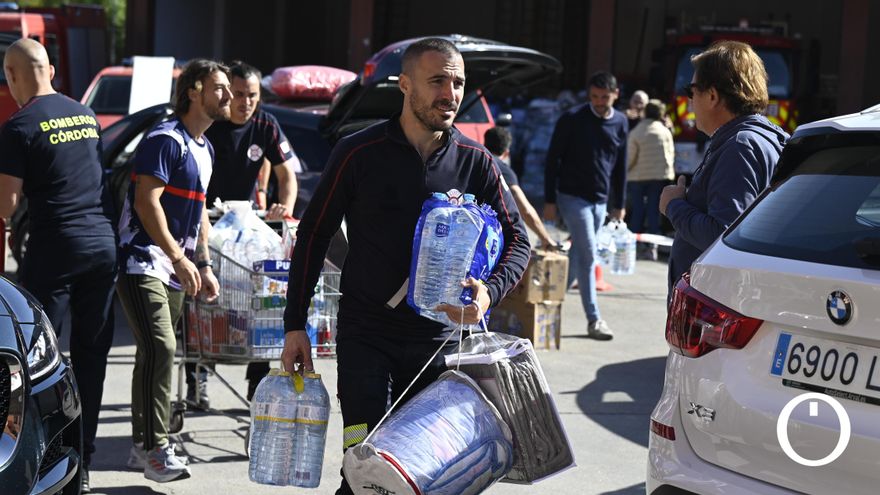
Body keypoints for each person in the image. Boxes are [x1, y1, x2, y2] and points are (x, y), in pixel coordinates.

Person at [279, 38, 530, 495]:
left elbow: (519, 242)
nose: (450, 93)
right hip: (366, 336)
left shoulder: (477, 164)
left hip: (439, 344)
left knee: (420, 475)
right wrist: (295, 325)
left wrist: (490, 291)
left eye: (457, 83)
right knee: (362, 462)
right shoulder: (359, 152)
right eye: (438, 81)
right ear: (406, 85)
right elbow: (313, 235)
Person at [0, 38, 117, 493]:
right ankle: (83, 463)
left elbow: (6, 205)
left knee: (37, 360)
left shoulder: (18, 126)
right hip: (102, 246)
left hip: (55, 249)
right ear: (50, 68)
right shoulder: (85, 116)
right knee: (92, 357)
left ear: (13, 76)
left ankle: (43, 459)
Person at [116, 59, 229, 483]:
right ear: (195, 90)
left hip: (176, 268)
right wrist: (179, 259)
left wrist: (203, 263)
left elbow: (199, 212)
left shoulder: (206, 147)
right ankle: (155, 449)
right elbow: (148, 203)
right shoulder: (165, 139)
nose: (229, 97)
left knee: (154, 354)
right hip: (141, 259)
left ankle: (139, 448)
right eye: (220, 88)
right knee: (161, 348)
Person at [185, 61, 301, 407]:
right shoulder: (213, 122)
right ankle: (196, 378)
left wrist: (284, 209)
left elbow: (287, 175)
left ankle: (256, 382)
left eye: (252, 96)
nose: (245, 102)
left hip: (246, 226)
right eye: (238, 94)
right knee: (203, 305)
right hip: (208, 220)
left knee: (257, 307)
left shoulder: (266, 124)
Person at [660, 40, 788, 298]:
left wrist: (673, 206)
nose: (690, 100)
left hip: (717, 309)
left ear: (712, 95)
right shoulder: (750, 140)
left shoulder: (740, 147)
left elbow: (723, 235)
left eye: (692, 90)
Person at [543, 71, 628, 341]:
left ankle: (547, 305)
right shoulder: (572, 120)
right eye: (595, 97)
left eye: (605, 97)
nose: (600, 102)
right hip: (572, 197)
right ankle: (594, 320)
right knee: (589, 254)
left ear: (615, 95)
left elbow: (620, 167)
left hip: (600, 201)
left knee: (579, 254)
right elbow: (552, 159)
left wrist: (620, 204)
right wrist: (549, 201)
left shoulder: (621, 122)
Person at [484, 126, 559, 249]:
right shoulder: (504, 171)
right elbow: (525, 209)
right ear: (507, 152)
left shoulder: (475, 160)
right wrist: (545, 239)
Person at [626, 99, 674, 235]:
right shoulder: (665, 132)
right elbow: (670, 155)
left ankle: (635, 241)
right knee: (654, 210)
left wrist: (624, 172)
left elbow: (630, 158)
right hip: (659, 177)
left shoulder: (636, 132)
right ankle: (653, 245)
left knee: (638, 210)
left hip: (637, 178)